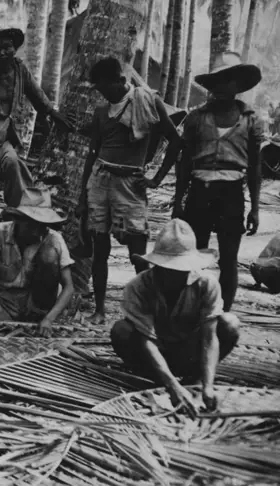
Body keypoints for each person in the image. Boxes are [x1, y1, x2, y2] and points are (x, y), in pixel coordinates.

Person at [77, 57, 182, 325]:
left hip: (131, 183)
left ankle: (145, 312)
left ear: (120, 81)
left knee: (137, 252)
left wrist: (156, 178)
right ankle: (99, 310)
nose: (103, 93)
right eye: (99, 89)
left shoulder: (147, 100)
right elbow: (93, 153)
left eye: (105, 87)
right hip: (100, 180)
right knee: (99, 249)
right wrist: (82, 195)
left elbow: (175, 141)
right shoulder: (102, 111)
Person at [111, 219, 240, 417]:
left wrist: (208, 385)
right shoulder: (138, 287)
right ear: (158, 265)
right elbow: (146, 341)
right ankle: (158, 380)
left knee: (230, 324)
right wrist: (172, 385)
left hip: (189, 353)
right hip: (153, 356)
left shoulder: (206, 284)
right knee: (122, 330)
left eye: (182, 269)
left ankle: (195, 380)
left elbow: (209, 337)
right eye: (170, 269)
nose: (176, 274)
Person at [174, 52, 264, 312]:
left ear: (238, 85)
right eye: (216, 82)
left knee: (228, 259)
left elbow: (255, 168)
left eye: (227, 81)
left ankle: (223, 314)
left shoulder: (250, 120)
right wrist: (178, 201)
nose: (220, 88)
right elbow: (185, 162)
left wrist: (255, 208)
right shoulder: (196, 118)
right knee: (195, 256)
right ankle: (194, 310)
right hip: (199, 191)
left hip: (231, 194)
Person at [0, 25, 73, 207]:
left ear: (14, 47)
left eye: (7, 46)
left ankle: (23, 210)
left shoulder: (20, 71)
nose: (3, 52)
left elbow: (37, 96)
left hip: (3, 142)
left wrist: (54, 114)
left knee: (14, 164)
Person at [0, 189, 75, 334]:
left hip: (38, 301)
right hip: (5, 298)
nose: (37, 230)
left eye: (41, 225)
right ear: (18, 220)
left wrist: (49, 318)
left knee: (50, 255)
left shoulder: (54, 239)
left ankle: (36, 318)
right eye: (31, 224)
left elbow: (69, 287)